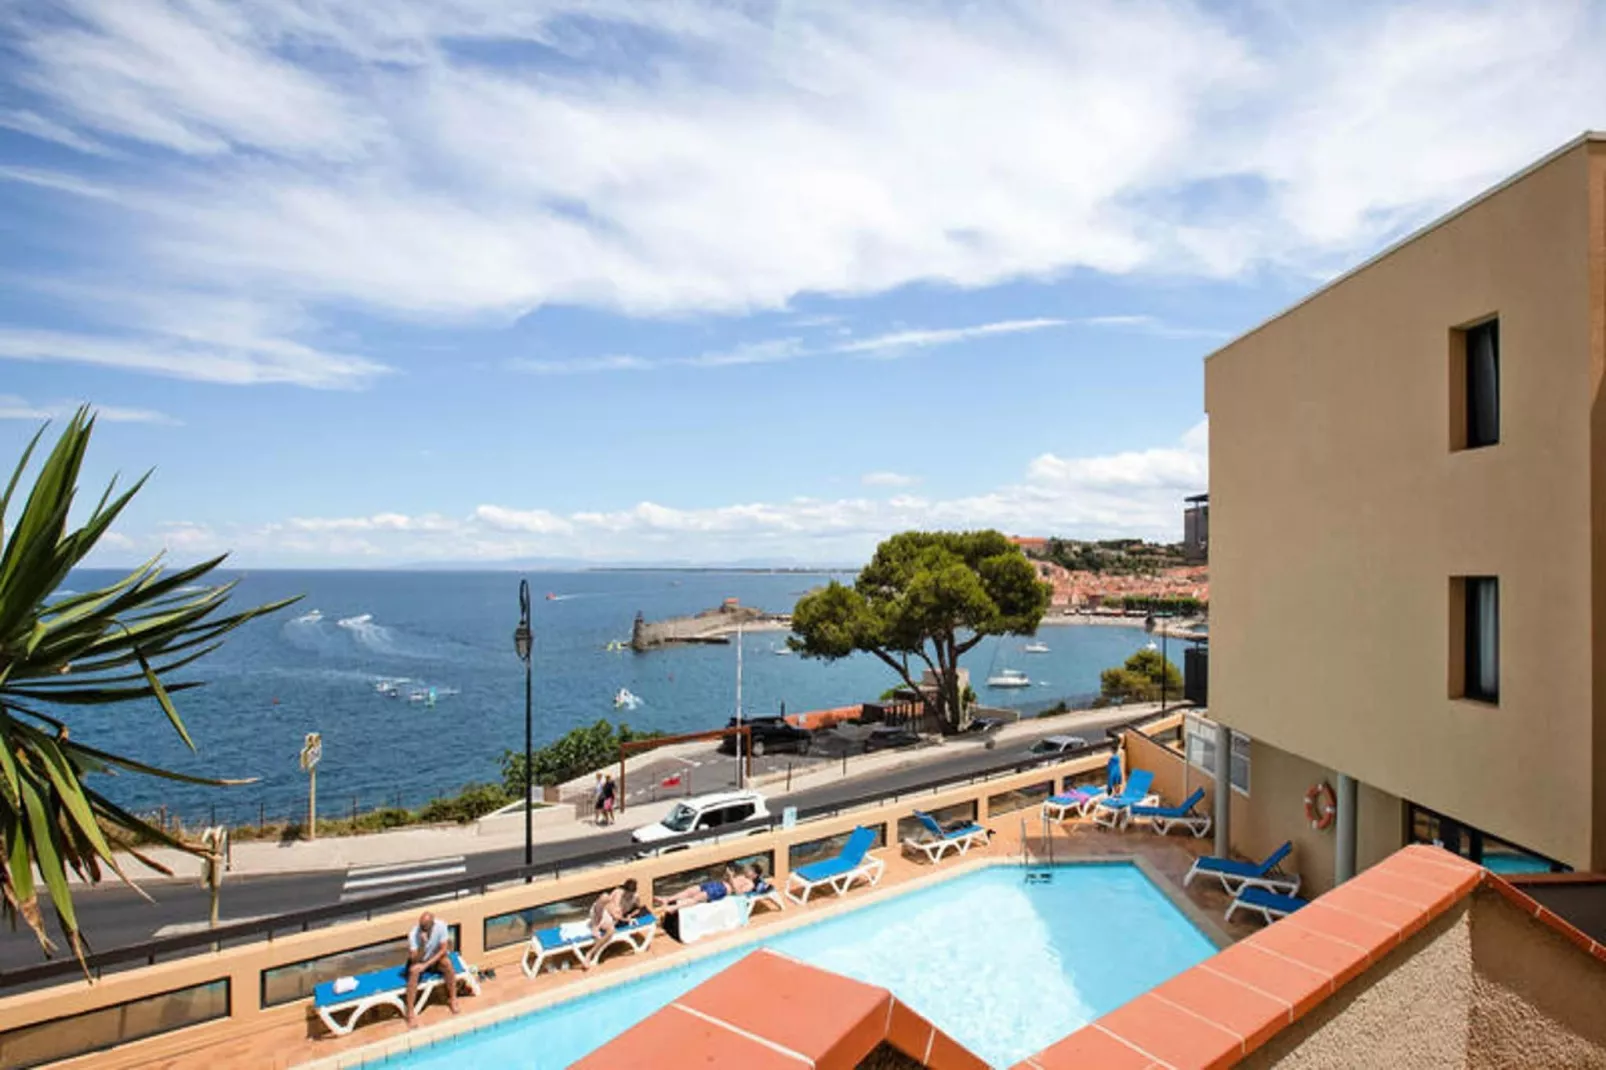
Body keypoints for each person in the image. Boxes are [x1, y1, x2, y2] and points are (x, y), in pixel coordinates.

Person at [404, 910, 459, 1028]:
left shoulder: (441, 926)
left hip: (433, 959)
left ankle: (453, 999)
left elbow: (444, 949)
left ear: (432, 925)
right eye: (421, 926)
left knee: (447, 964)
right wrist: (423, 945)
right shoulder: (414, 934)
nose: (422, 929)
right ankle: (410, 1012)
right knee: (413, 972)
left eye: (425, 927)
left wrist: (427, 965)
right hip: (419, 960)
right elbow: (414, 959)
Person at [653, 863, 764, 914]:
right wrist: (727, 875)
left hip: (722, 890)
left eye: (750, 870)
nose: (747, 870)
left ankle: (674, 908)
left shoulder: (750, 884)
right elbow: (728, 880)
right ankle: (667, 899)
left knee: (696, 898)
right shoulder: (742, 876)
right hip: (717, 884)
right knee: (691, 890)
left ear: (755, 875)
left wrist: (730, 878)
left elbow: (738, 892)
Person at [583, 878, 643, 968]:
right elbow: (606, 904)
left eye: (630, 894)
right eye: (626, 893)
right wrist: (613, 911)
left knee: (611, 931)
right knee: (605, 896)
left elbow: (638, 909)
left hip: (609, 920)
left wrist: (630, 916)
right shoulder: (617, 892)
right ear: (624, 890)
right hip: (600, 912)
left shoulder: (635, 897)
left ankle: (590, 953)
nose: (628, 896)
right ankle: (595, 927)